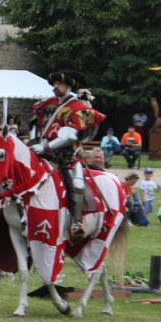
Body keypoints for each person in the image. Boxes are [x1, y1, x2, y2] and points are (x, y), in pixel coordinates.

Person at [30, 69, 106, 240]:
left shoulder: (78, 107)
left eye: (59, 83)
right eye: (54, 84)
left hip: (67, 155)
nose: (55, 87)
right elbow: (36, 125)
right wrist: (38, 144)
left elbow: (70, 136)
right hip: (42, 152)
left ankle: (76, 222)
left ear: (69, 85)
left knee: (78, 186)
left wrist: (46, 148)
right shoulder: (47, 103)